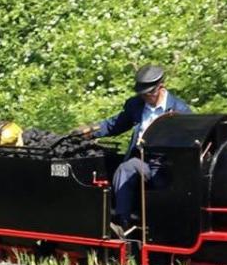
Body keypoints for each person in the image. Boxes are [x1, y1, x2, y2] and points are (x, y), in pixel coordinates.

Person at [72, 64, 193, 237]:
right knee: (126, 167)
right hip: (142, 160)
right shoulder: (136, 105)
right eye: (142, 94)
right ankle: (123, 222)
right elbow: (114, 124)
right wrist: (89, 132)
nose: (146, 97)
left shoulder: (180, 111)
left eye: (149, 93)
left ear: (161, 87)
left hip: (166, 165)